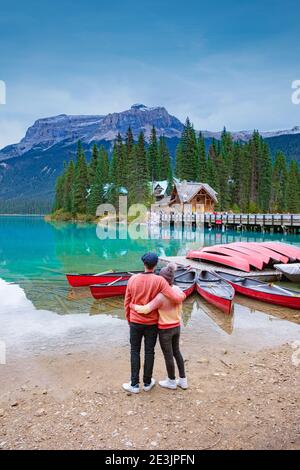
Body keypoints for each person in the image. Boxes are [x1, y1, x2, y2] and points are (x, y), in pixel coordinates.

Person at [123, 253, 186, 394]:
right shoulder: (160, 281)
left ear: (143, 264)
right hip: (152, 323)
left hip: (135, 321)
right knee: (149, 351)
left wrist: (129, 317)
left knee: (134, 351)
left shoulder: (132, 279)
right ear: (156, 265)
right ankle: (147, 382)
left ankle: (134, 384)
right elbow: (175, 297)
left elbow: (127, 302)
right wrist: (183, 295)